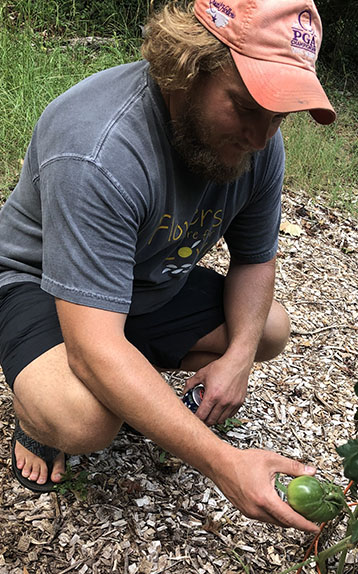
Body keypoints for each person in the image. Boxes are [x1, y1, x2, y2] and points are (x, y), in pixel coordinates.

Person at [0, 0, 335, 532]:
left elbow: (255, 260)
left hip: (143, 282)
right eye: (247, 105)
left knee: (267, 329)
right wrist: (223, 464)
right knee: (85, 419)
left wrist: (240, 359)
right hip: (38, 283)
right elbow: (93, 349)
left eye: (280, 113)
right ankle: (33, 412)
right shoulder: (100, 147)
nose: (262, 136)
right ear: (189, 65)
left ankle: (131, 382)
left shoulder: (258, 149)